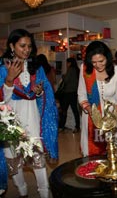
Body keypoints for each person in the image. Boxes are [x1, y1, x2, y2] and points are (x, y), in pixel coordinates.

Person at [0, 29, 58, 198]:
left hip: (32, 119)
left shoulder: (36, 67)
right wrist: (10, 79)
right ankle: (23, 191)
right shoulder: (3, 68)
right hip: (10, 121)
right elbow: (3, 99)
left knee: (38, 161)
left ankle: (45, 193)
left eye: (29, 46)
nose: (26, 50)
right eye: (22, 46)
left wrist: (39, 92)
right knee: (14, 161)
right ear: (12, 45)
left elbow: (43, 92)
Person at [78, 41, 117, 157]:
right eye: (93, 62)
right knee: (92, 155)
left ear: (108, 58)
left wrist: (108, 122)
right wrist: (92, 112)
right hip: (91, 118)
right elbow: (81, 94)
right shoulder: (85, 70)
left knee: (114, 154)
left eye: (101, 61)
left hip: (113, 120)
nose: (97, 65)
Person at [58, 57, 80, 133]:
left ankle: (61, 126)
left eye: (67, 63)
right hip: (74, 92)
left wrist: (64, 76)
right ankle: (77, 126)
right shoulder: (77, 70)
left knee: (64, 110)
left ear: (70, 63)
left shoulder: (70, 70)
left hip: (68, 92)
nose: (66, 64)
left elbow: (66, 80)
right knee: (75, 110)